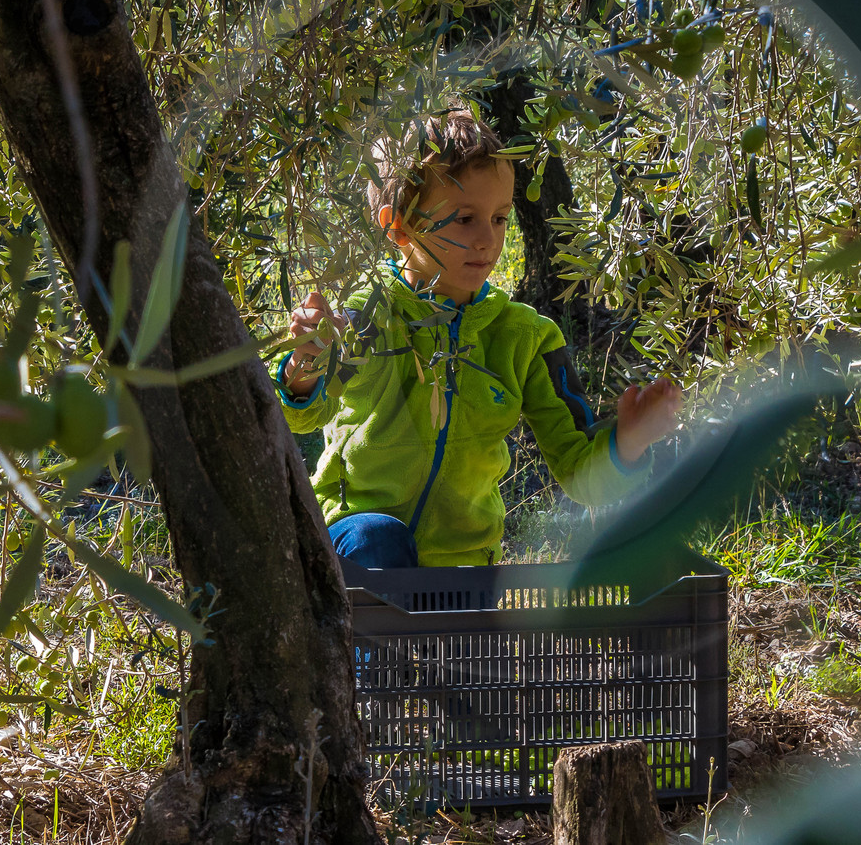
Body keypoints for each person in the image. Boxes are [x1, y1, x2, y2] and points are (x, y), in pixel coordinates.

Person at [275, 109, 684, 568]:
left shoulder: (525, 339)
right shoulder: (369, 314)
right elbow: (307, 417)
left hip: (463, 572)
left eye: (501, 218)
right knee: (379, 537)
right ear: (399, 226)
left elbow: (579, 470)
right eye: (465, 219)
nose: (488, 240)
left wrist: (629, 442)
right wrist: (305, 363)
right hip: (355, 550)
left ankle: (428, 639)